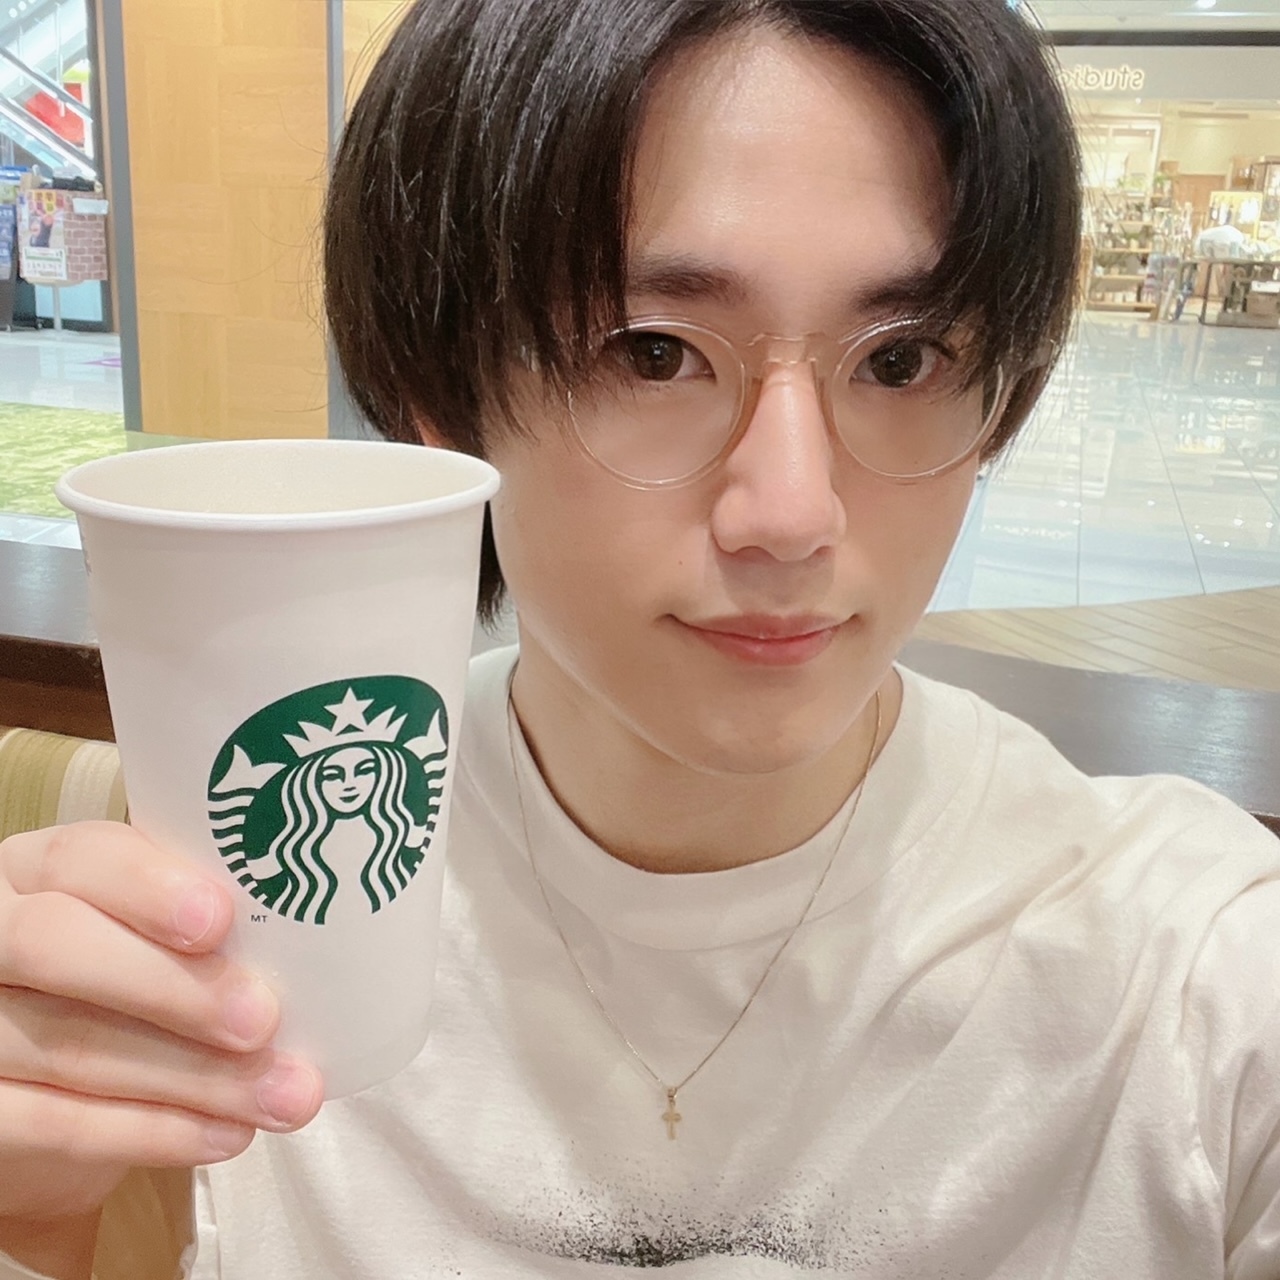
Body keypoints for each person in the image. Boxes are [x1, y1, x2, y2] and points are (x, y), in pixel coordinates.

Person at [2, 1, 1279, 1277]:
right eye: (653, 352)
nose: (791, 513)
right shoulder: (245, 914)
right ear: (440, 398)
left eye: (900, 360)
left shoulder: (1195, 977)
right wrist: (35, 1221)